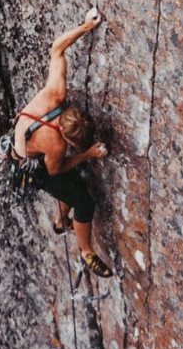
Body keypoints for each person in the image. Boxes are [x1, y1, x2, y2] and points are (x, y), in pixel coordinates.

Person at [11, 14, 113, 278]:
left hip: (21, 139)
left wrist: (87, 26)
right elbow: (56, 170)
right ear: (66, 139)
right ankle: (87, 251)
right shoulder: (54, 145)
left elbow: (57, 48)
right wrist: (88, 154)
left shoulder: (55, 95)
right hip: (33, 166)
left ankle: (60, 221)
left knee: (72, 184)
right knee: (83, 199)